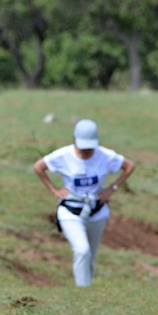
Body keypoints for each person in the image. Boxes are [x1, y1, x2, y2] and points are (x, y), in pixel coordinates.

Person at [32, 120, 136, 287]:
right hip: (70, 210)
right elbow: (38, 167)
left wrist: (112, 189)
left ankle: (86, 292)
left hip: (97, 211)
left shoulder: (106, 156)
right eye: (83, 146)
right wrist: (54, 189)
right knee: (82, 250)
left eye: (90, 147)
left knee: (90, 257)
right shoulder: (63, 155)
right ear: (74, 140)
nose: (86, 151)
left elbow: (129, 166)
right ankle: (82, 291)